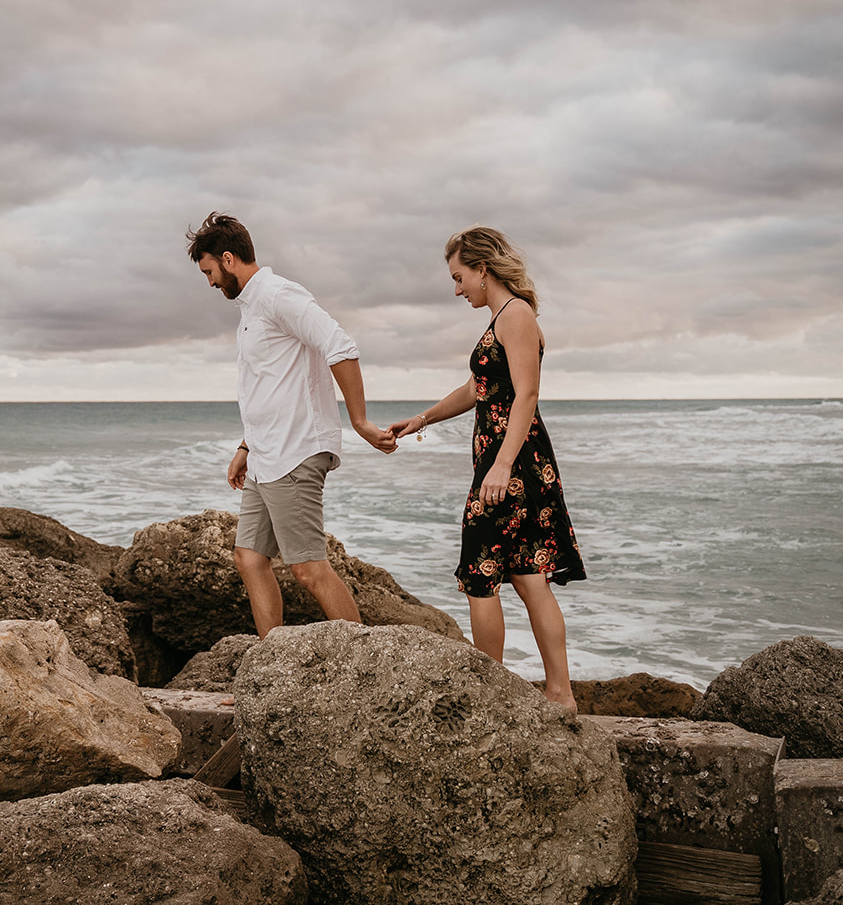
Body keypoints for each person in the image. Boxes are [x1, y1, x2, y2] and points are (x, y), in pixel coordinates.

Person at [388, 226, 586, 709]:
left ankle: (490, 694)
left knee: (482, 570)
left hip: (512, 465)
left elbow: (527, 395)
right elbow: (479, 389)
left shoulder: (515, 314)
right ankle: (558, 694)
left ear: (482, 268)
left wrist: (499, 468)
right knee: (524, 574)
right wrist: (423, 417)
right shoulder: (502, 316)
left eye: (459, 277)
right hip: (512, 461)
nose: (458, 289)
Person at [187, 211, 397, 639]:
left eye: (209, 271)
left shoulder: (280, 295)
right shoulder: (250, 308)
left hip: (295, 451)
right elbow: (268, 387)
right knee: (248, 558)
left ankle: (364, 667)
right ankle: (271, 665)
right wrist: (246, 447)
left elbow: (340, 345)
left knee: (307, 568)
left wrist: (359, 421)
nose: (209, 282)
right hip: (266, 453)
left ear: (228, 259)